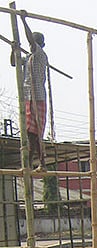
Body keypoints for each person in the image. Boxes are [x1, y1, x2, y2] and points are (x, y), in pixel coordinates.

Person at [10, 12, 48, 170]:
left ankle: (34, 164)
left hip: (37, 96)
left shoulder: (40, 54)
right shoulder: (29, 57)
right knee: (30, 132)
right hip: (28, 96)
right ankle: (35, 164)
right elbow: (14, 63)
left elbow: (30, 41)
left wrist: (23, 20)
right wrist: (14, 50)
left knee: (34, 133)